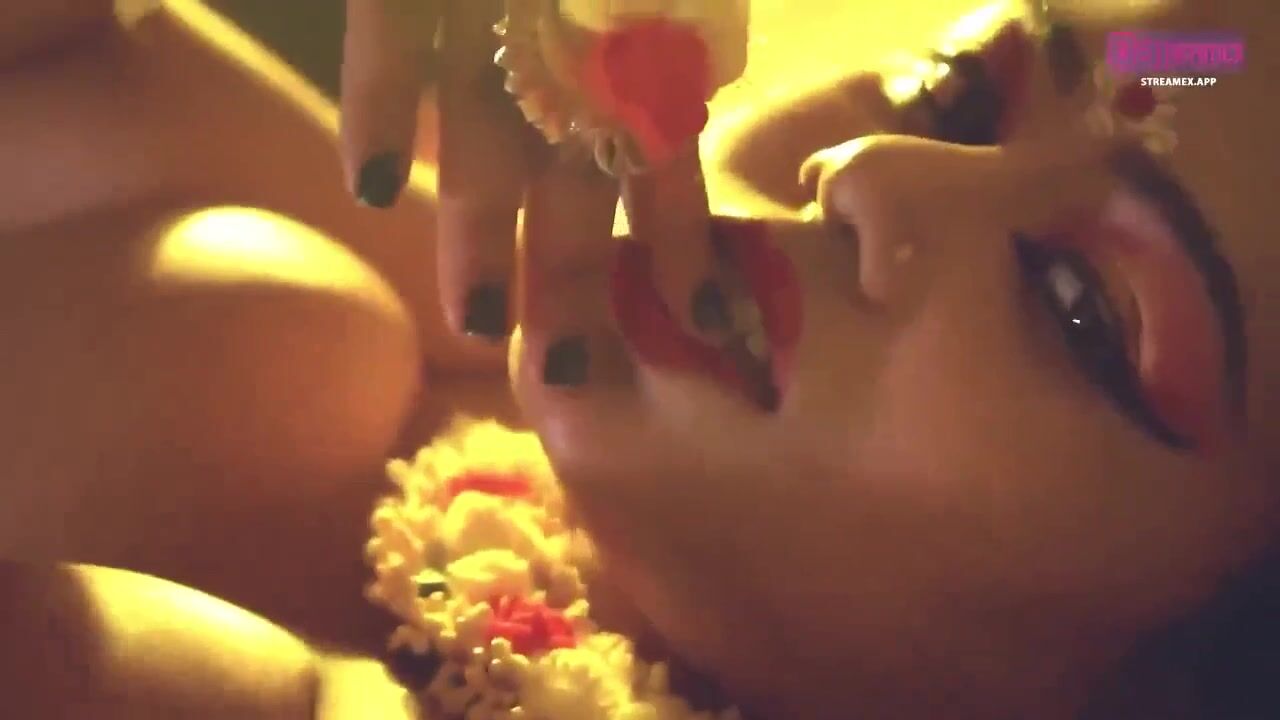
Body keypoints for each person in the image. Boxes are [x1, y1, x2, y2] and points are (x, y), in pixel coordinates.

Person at [3, 0, 1279, 718]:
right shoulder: (436, 277)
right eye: (954, 98)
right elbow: (1184, 64)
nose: (872, 171)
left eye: (1077, 306)